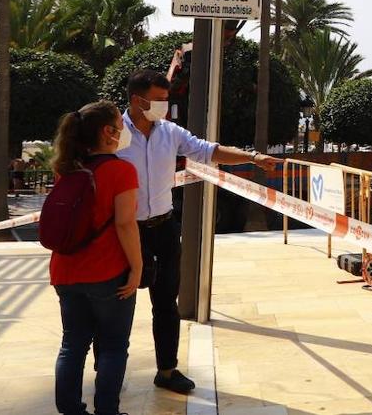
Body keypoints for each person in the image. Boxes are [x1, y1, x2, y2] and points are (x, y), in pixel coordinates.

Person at [115, 69, 276, 395]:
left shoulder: (169, 132)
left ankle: (167, 370)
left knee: (166, 304)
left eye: (166, 99)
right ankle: (110, 375)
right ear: (137, 100)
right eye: (158, 100)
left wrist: (253, 158)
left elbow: (209, 150)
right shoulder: (114, 133)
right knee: (119, 305)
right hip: (125, 231)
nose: (164, 106)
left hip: (164, 229)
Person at [50, 100, 142, 415]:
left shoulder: (66, 170)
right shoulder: (122, 170)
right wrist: (137, 267)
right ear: (107, 132)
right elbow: (125, 224)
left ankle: (70, 410)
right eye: (121, 125)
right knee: (114, 346)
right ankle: (107, 411)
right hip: (108, 272)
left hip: (66, 271)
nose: (125, 130)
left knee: (72, 345)